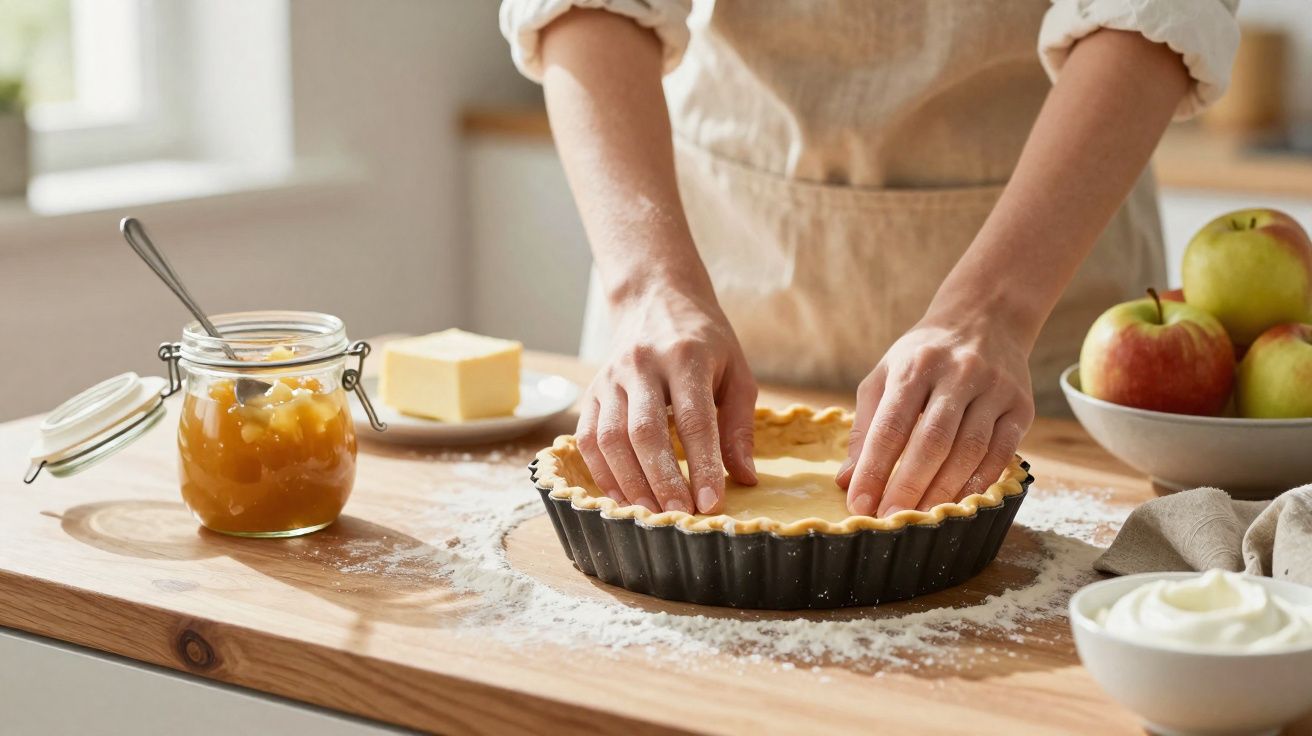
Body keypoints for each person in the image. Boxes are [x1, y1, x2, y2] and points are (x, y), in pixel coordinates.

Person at [500, 1, 1240, 518]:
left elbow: (1155, 13)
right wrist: (648, 284)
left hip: (1043, 275)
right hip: (709, 244)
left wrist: (996, 310)